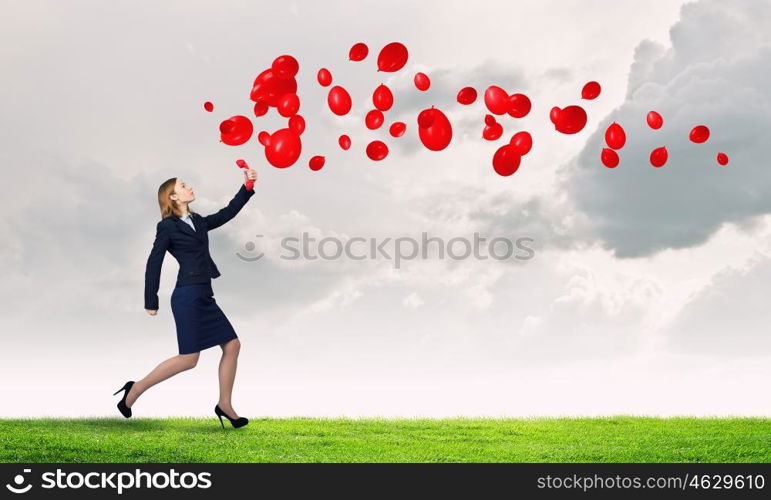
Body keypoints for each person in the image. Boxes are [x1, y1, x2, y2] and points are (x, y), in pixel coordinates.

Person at [113, 168, 258, 429]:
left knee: (232, 345)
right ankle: (135, 390)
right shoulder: (167, 227)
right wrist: (151, 300)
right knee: (189, 360)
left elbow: (226, 213)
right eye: (183, 185)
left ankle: (225, 404)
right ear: (172, 197)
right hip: (187, 296)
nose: (189, 187)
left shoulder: (199, 221)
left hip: (204, 294)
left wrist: (247, 188)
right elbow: (154, 262)